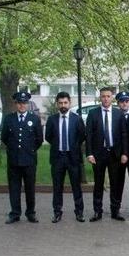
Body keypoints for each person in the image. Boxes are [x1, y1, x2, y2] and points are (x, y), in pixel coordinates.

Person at [85, 87, 128, 222]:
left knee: (115, 183)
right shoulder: (93, 114)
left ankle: (115, 211)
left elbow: (123, 134)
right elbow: (89, 135)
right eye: (103, 96)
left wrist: (124, 153)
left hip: (115, 154)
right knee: (98, 183)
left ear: (112, 98)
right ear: (100, 98)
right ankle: (97, 211)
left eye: (108, 96)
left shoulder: (118, 114)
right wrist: (89, 153)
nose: (105, 98)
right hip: (98, 154)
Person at [1, 91, 44, 224]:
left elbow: (39, 139)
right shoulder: (9, 119)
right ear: (16, 104)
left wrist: (29, 151)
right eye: (19, 103)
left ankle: (30, 213)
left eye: (24, 103)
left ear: (28, 104)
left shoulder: (34, 119)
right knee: (14, 188)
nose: (22, 106)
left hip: (29, 160)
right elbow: (5, 138)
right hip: (14, 160)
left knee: (30, 188)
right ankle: (15, 213)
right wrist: (15, 150)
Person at [44, 91, 86, 223]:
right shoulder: (52, 119)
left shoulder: (77, 119)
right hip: (58, 157)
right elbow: (48, 137)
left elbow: (81, 136)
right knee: (57, 187)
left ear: (69, 103)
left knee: (76, 187)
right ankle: (57, 212)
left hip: (73, 157)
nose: (63, 105)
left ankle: (79, 212)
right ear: (57, 104)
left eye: (65, 103)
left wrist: (72, 147)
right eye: (60, 103)